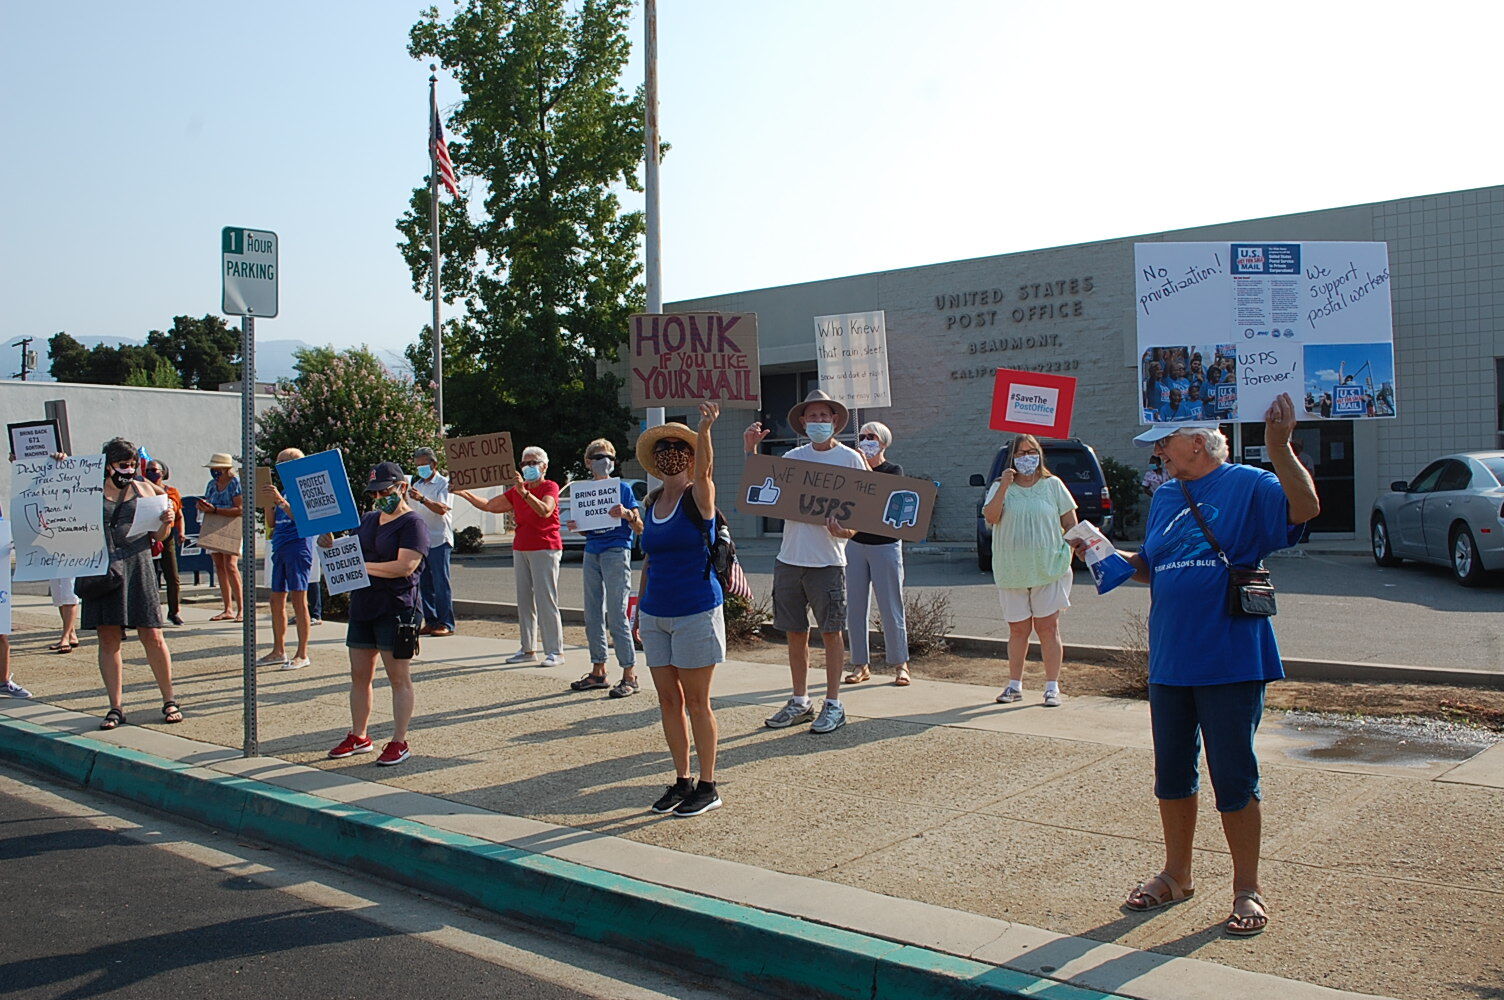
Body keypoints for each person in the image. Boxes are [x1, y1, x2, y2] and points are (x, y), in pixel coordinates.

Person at [1107, 395, 1318, 938]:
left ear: (1197, 442)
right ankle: (1177, 875)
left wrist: (1279, 447)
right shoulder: (1165, 497)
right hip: (1171, 659)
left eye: (1165, 442)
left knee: (1234, 776)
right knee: (1172, 775)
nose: (1158, 453)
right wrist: (1098, 551)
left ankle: (1247, 888)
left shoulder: (1250, 483)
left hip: (1230, 657)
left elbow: (1306, 508)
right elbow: (1156, 565)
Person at [747, 389, 868, 734]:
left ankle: (834, 704)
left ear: (834, 421)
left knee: (832, 632)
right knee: (795, 633)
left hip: (828, 560)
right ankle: (800, 700)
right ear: (802, 422)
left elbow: (862, 516)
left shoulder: (850, 460)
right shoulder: (791, 458)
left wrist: (845, 532)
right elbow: (761, 490)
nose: (818, 422)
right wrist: (750, 450)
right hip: (789, 558)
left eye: (824, 416)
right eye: (812, 416)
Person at [636, 403, 725, 817]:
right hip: (656, 614)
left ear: (689, 457)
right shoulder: (651, 504)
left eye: (679, 447)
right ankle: (682, 779)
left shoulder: (698, 498)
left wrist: (704, 430)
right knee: (667, 702)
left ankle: (708, 785)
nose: (671, 453)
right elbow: (649, 561)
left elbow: (706, 473)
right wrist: (638, 611)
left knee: (697, 702)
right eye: (664, 447)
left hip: (695, 611)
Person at [322, 462, 428, 766]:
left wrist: (361, 567)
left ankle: (399, 740)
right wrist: (327, 542)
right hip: (364, 606)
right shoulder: (368, 519)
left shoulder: (413, 524)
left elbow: (405, 566)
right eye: (375, 492)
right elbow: (344, 548)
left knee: (398, 677)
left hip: (397, 609)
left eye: (386, 490)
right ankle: (359, 735)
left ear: (402, 487)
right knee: (359, 675)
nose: (380, 496)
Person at [84, 438, 181, 730]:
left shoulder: (144, 489)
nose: (127, 470)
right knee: (109, 638)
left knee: (152, 634)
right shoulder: (88, 491)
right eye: (121, 465)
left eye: (131, 464)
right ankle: (115, 707)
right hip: (103, 570)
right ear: (107, 465)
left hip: (138, 567)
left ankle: (169, 699)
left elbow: (160, 536)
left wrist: (168, 520)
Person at [982, 433, 1078, 707]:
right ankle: (1014, 685)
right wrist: (1004, 486)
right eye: (1021, 453)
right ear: (1012, 458)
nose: (1027, 458)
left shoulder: (1053, 485)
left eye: (1031, 451)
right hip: (1012, 570)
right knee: (1018, 630)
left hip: (1048, 568)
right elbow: (991, 517)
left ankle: (1051, 687)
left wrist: (1067, 553)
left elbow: (1071, 523)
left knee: (1048, 628)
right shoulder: (1001, 486)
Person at [455, 446, 565, 666]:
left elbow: (545, 510)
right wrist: (463, 493)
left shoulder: (548, 486)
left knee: (546, 600)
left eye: (533, 462)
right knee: (524, 601)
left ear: (544, 466)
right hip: (521, 546)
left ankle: (555, 651)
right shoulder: (517, 490)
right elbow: (489, 505)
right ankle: (528, 649)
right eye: (524, 463)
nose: (528, 467)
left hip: (545, 546)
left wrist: (523, 492)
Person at [566, 438, 642, 698]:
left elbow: (639, 526)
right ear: (589, 462)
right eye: (599, 456)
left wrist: (627, 514)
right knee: (592, 614)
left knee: (617, 615)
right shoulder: (583, 490)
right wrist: (577, 526)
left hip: (616, 550)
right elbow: (586, 526)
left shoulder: (622, 489)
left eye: (609, 456)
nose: (605, 461)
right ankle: (598, 670)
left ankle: (630, 674)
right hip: (592, 551)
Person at [841, 421, 911, 687]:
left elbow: (882, 495)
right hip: (856, 543)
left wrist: (865, 466)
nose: (866, 440)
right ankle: (860, 664)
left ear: (883, 442)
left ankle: (900, 664)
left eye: (872, 437)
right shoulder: (852, 469)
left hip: (885, 544)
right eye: (862, 436)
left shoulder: (894, 470)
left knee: (891, 606)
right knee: (856, 607)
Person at [260, 448, 315, 670]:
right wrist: (267, 503)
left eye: (282, 463)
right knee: (276, 599)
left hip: (298, 546)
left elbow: (302, 518)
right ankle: (278, 650)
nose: (278, 468)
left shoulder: (304, 488)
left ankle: (302, 653)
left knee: (299, 600)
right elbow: (272, 523)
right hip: (280, 545)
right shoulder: (282, 489)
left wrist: (280, 501)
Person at [408, 446, 456, 638]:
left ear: (434, 464)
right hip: (422, 540)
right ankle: (431, 620)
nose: (421, 469)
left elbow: (442, 508)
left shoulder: (444, 484)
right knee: (424, 583)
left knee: (440, 582)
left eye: (424, 465)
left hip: (439, 539)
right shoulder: (416, 485)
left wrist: (422, 499)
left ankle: (446, 623)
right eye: (417, 465)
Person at [198, 452, 244, 622]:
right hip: (214, 524)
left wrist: (216, 510)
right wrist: (203, 507)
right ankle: (227, 608)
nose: (214, 471)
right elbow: (208, 501)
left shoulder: (235, 484)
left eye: (216, 468)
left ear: (225, 469)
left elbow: (240, 509)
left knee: (230, 565)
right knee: (219, 565)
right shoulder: (212, 484)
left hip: (231, 525)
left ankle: (242, 608)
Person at [145, 458, 186, 626]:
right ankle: (149, 612)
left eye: (154, 470)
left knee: (172, 576)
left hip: (167, 534)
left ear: (163, 472)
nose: (151, 473)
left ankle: (174, 611)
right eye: (148, 470)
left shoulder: (172, 492)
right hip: (147, 536)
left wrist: (181, 532)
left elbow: (179, 515)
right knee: (149, 577)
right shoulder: (143, 490)